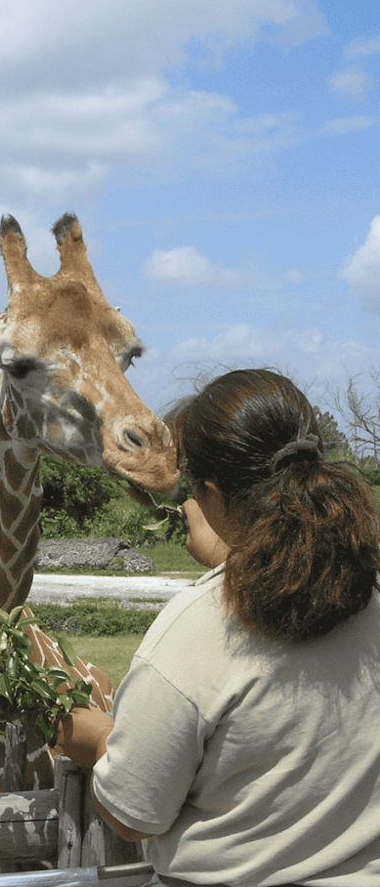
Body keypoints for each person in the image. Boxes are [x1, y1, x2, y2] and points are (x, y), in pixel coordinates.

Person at [55, 369, 380, 886]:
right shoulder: (368, 595)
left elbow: (132, 815)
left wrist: (98, 741)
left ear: (210, 494)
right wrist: (229, 557)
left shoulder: (195, 632)